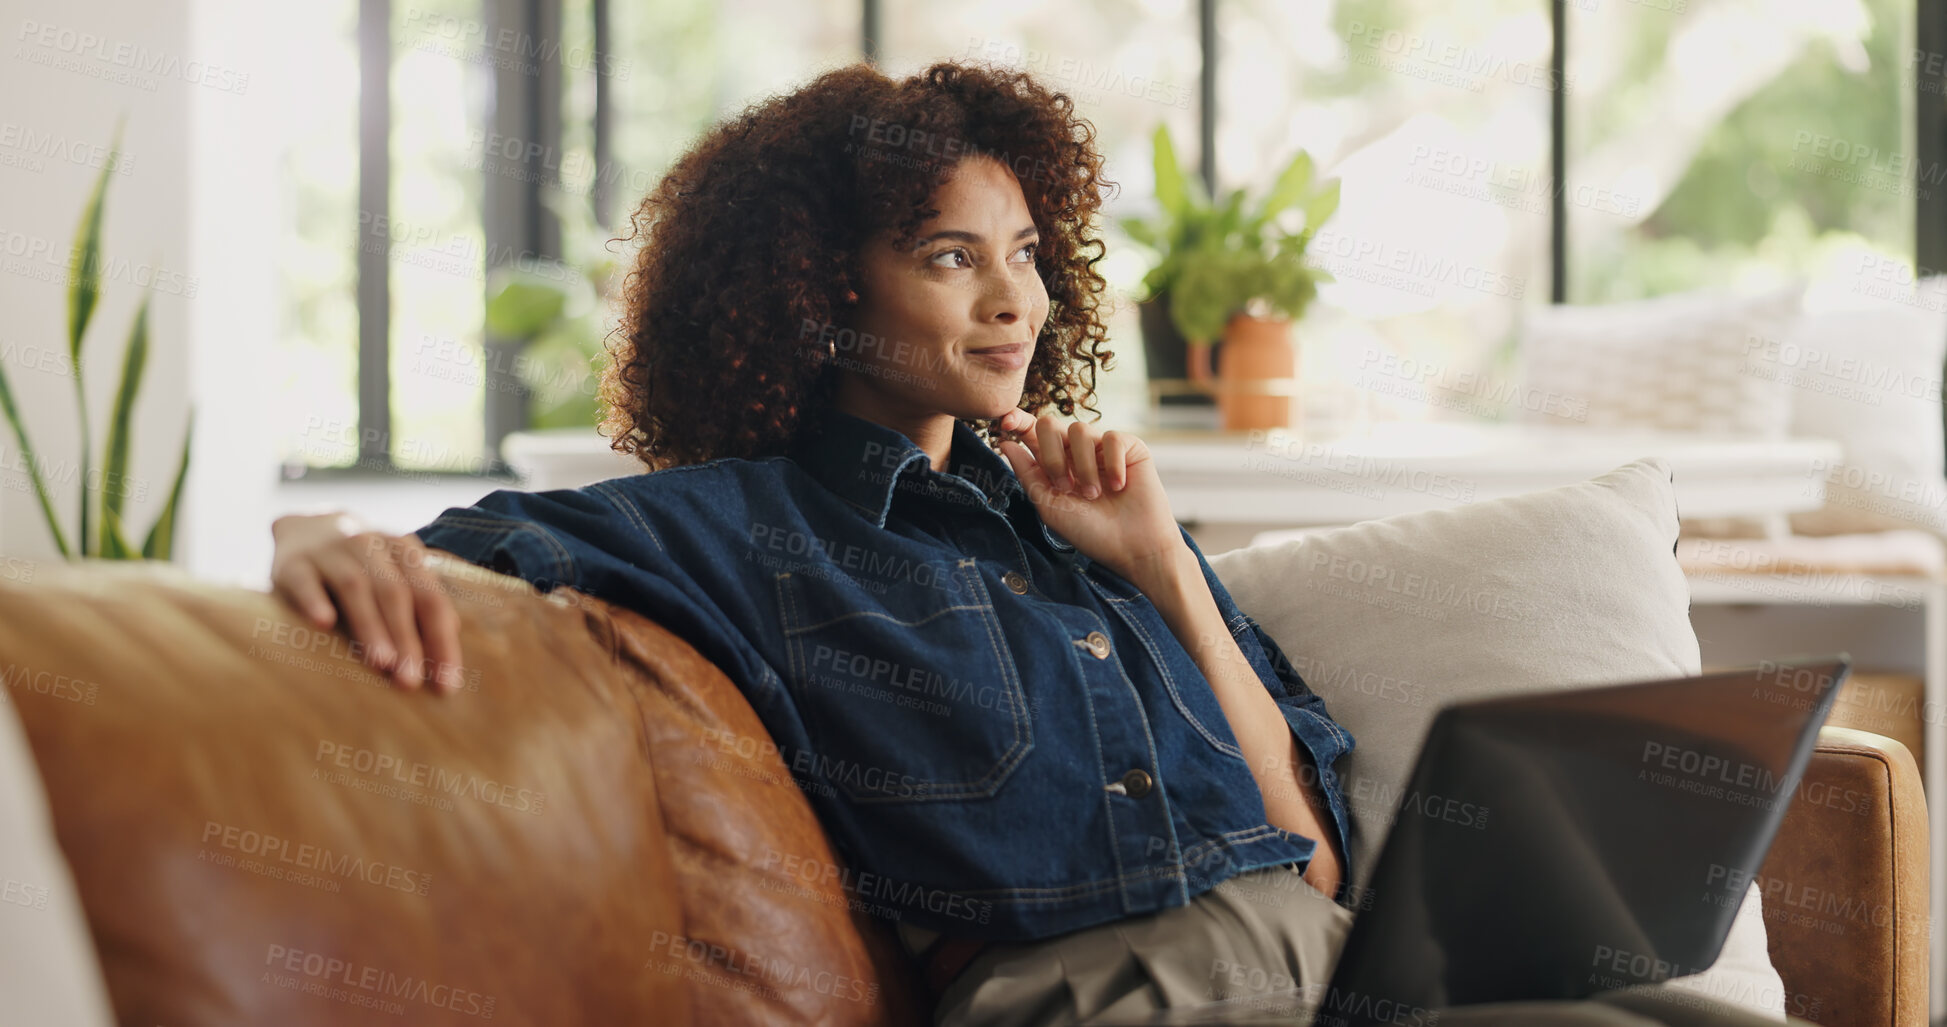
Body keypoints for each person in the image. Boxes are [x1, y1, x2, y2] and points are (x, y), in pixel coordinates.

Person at [269, 59, 1798, 1027]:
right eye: (952, 258)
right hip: (1120, 995)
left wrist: (1163, 565)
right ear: (820, 295)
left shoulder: (1087, 550)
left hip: (1323, 967)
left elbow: (1317, 856)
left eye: (1025, 255)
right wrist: (316, 533)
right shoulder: (750, 523)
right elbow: (484, 546)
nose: (1015, 301)